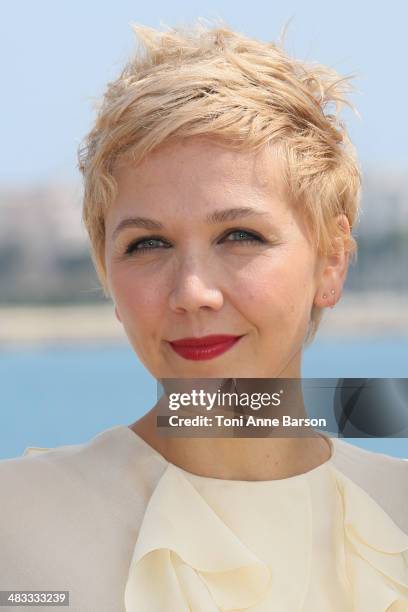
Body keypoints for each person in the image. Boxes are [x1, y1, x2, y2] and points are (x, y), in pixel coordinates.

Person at [1, 21, 407, 612]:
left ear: (332, 261)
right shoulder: (16, 526)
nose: (192, 292)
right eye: (147, 245)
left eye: (239, 235)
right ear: (107, 277)